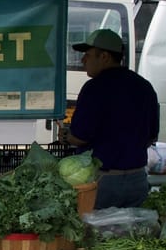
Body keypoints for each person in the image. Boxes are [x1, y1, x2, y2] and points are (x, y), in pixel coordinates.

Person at [61, 28, 160, 210]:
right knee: (129, 234)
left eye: (88, 55)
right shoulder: (144, 87)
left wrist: (67, 136)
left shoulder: (94, 88)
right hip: (137, 181)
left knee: (94, 234)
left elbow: (80, 137)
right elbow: (152, 137)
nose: (83, 60)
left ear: (104, 57)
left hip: (103, 183)